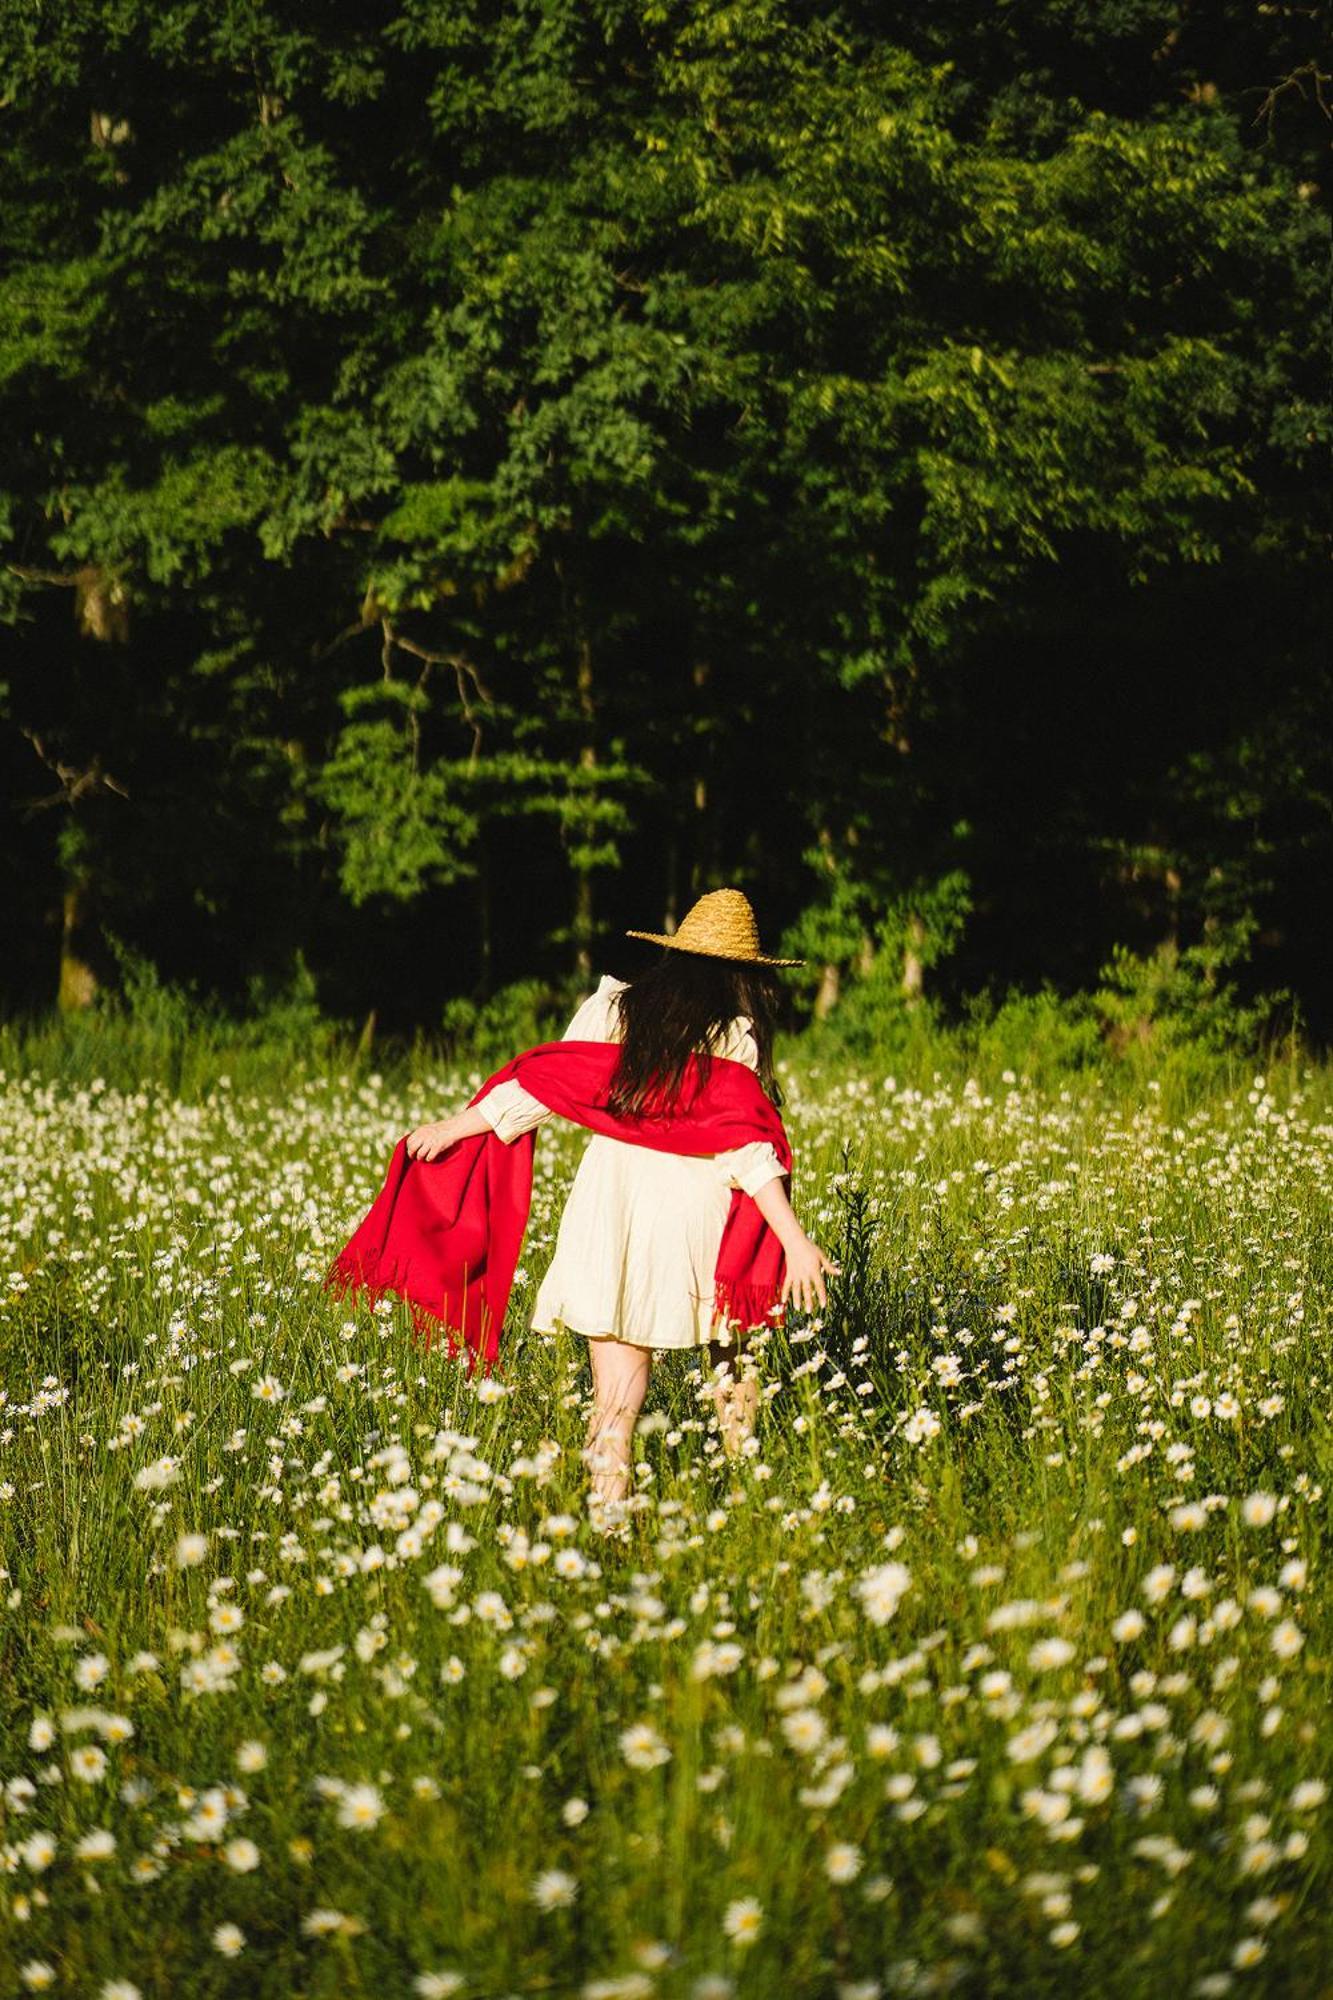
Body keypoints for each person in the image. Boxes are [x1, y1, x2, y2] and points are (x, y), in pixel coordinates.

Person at [402, 888, 839, 1519]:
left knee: (615, 1401)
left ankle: (608, 1525)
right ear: (743, 973)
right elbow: (746, 1148)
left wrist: (453, 1126)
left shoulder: (611, 1011)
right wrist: (794, 1241)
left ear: (674, 957)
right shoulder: (733, 1036)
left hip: (612, 1210)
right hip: (696, 1216)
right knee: (732, 1364)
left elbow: (546, 1087)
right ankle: (747, 1507)